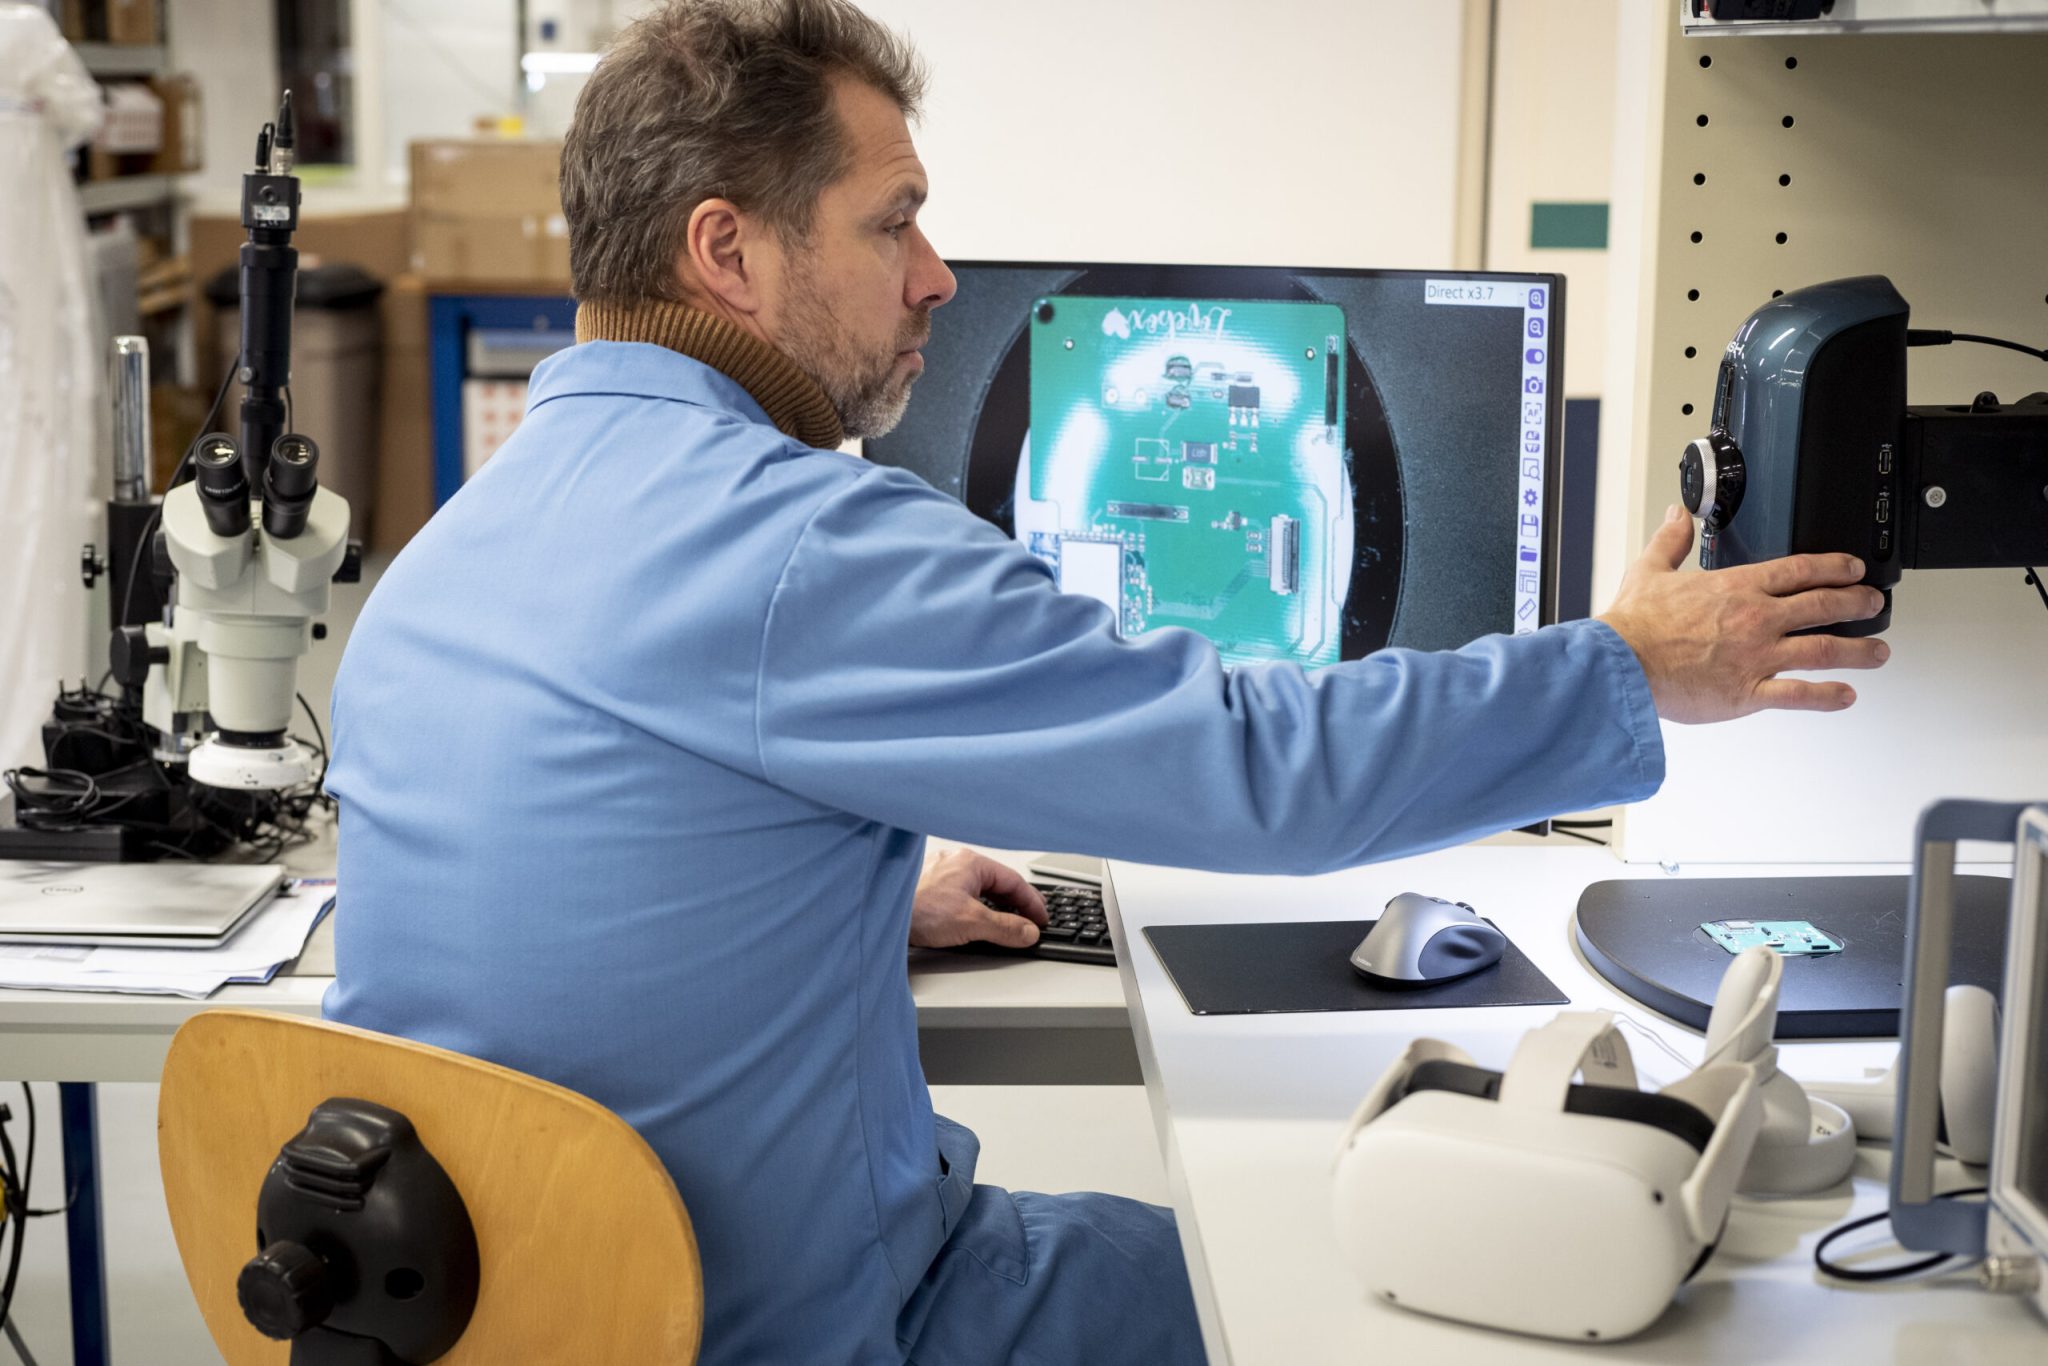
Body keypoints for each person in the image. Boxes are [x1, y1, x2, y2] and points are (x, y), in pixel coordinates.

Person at [323, 2, 1888, 1362]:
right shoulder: (798, 543)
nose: (936, 275)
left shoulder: (438, 562)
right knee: (1357, 1284)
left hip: (499, 1317)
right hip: (793, 1325)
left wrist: (861, 883)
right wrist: (1627, 666)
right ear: (726, 251)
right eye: (893, 221)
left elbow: (618, 867)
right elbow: (1267, 771)